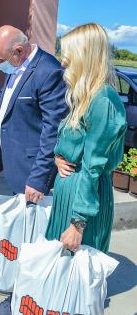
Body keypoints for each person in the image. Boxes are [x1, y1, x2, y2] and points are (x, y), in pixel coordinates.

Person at [0, 25, 68, 315]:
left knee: (31, 242)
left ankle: (20, 299)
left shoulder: (48, 72)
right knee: (21, 236)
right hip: (17, 170)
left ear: (18, 51)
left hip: (33, 175)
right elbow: (3, 101)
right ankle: (18, 286)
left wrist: (39, 178)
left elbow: (52, 130)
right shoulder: (17, 68)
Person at [45, 23, 127, 255]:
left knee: (77, 274)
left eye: (67, 54)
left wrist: (78, 223)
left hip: (82, 199)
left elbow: (93, 166)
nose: (62, 62)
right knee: (61, 271)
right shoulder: (85, 97)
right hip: (70, 191)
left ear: (84, 56)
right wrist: (58, 158)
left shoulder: (103, 100)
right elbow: (74, 144)